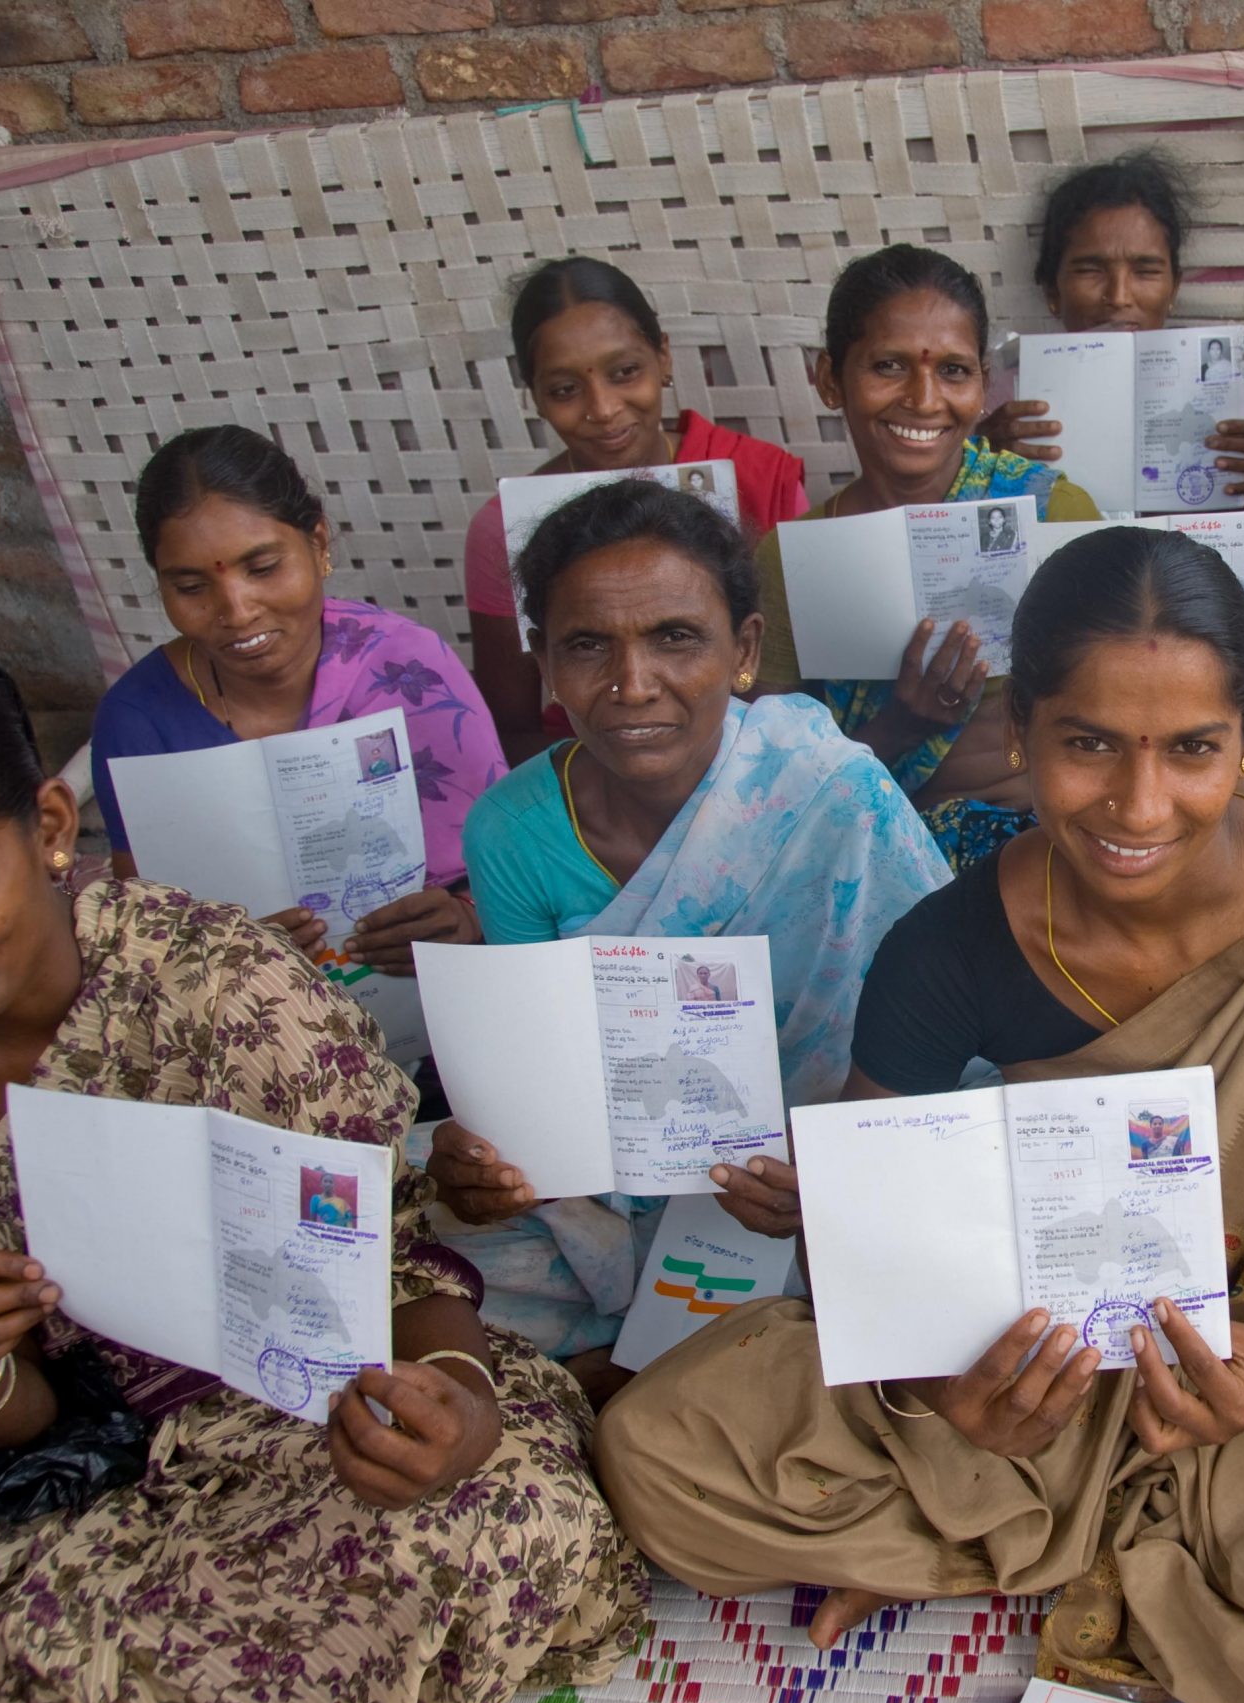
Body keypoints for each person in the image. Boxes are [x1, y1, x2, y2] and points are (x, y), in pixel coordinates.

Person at [592, 528, 1244, 1703]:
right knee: (653, 1452)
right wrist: (948, 1393)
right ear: (1020, 732)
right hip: (1050, 1359)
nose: (1138, 804)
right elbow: (861, 1255)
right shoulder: (949, 945)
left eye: (1191, 750)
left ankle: (991, 1541)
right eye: (1087, 746)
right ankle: (1052, 1512)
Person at [0, 665, 642, 1703]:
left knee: (500, 1523)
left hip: (328, 1407)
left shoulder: (214, 979)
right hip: (97, 1451)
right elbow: (22, 1415)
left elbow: (390, 1263)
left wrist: (465, 1408)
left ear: (49, 825)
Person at [421, 480, 946, 1377]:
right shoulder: (511, 827)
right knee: (405, 1238)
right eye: (589, 646)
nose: (633, 685)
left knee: (919, 1265)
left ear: (744, 650)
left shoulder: (830, 789)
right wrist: (485, 1156)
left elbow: (940, 1037)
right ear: (544, 661)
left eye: (675, 638)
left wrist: (829, 1178)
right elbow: (541, 1077)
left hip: (815, 1175)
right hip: (616, 1179)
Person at [90, 425, 505, 979]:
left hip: (441, 1014)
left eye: (262, 569)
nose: (236, 610)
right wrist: (227, 955)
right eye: (191, 588)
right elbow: (143, 933)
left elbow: (510, 864)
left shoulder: (410, 672)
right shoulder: (138, 722)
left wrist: (466, 918)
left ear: (318, 543)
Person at [750, 243, 1103, 869]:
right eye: (889, 366)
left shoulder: (1048, 511)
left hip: (1049, 858)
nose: (923, 397)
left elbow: (1125, 703)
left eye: (954, 371)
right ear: (830, 378)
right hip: (877, 861)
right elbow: (775, 794)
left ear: (983, 384)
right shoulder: (791, 559)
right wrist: (901, 727)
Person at [465, 257, 811, 760]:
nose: (603, 408)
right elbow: (507, 736)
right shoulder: (503, 530)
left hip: (756, 765)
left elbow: (793, 682)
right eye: (565, 389)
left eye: (625, 372)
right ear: (534, 395)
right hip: (591, 778)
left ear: (663, 357)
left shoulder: (758, 482)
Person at [983, 150, 1244, 502]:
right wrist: (979, 461)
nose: (1119, 296)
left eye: (1146, 271)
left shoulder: (1240, 387)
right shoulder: (1003, 397)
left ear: (1173, 289)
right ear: (1052, 289)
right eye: (1090, 270)